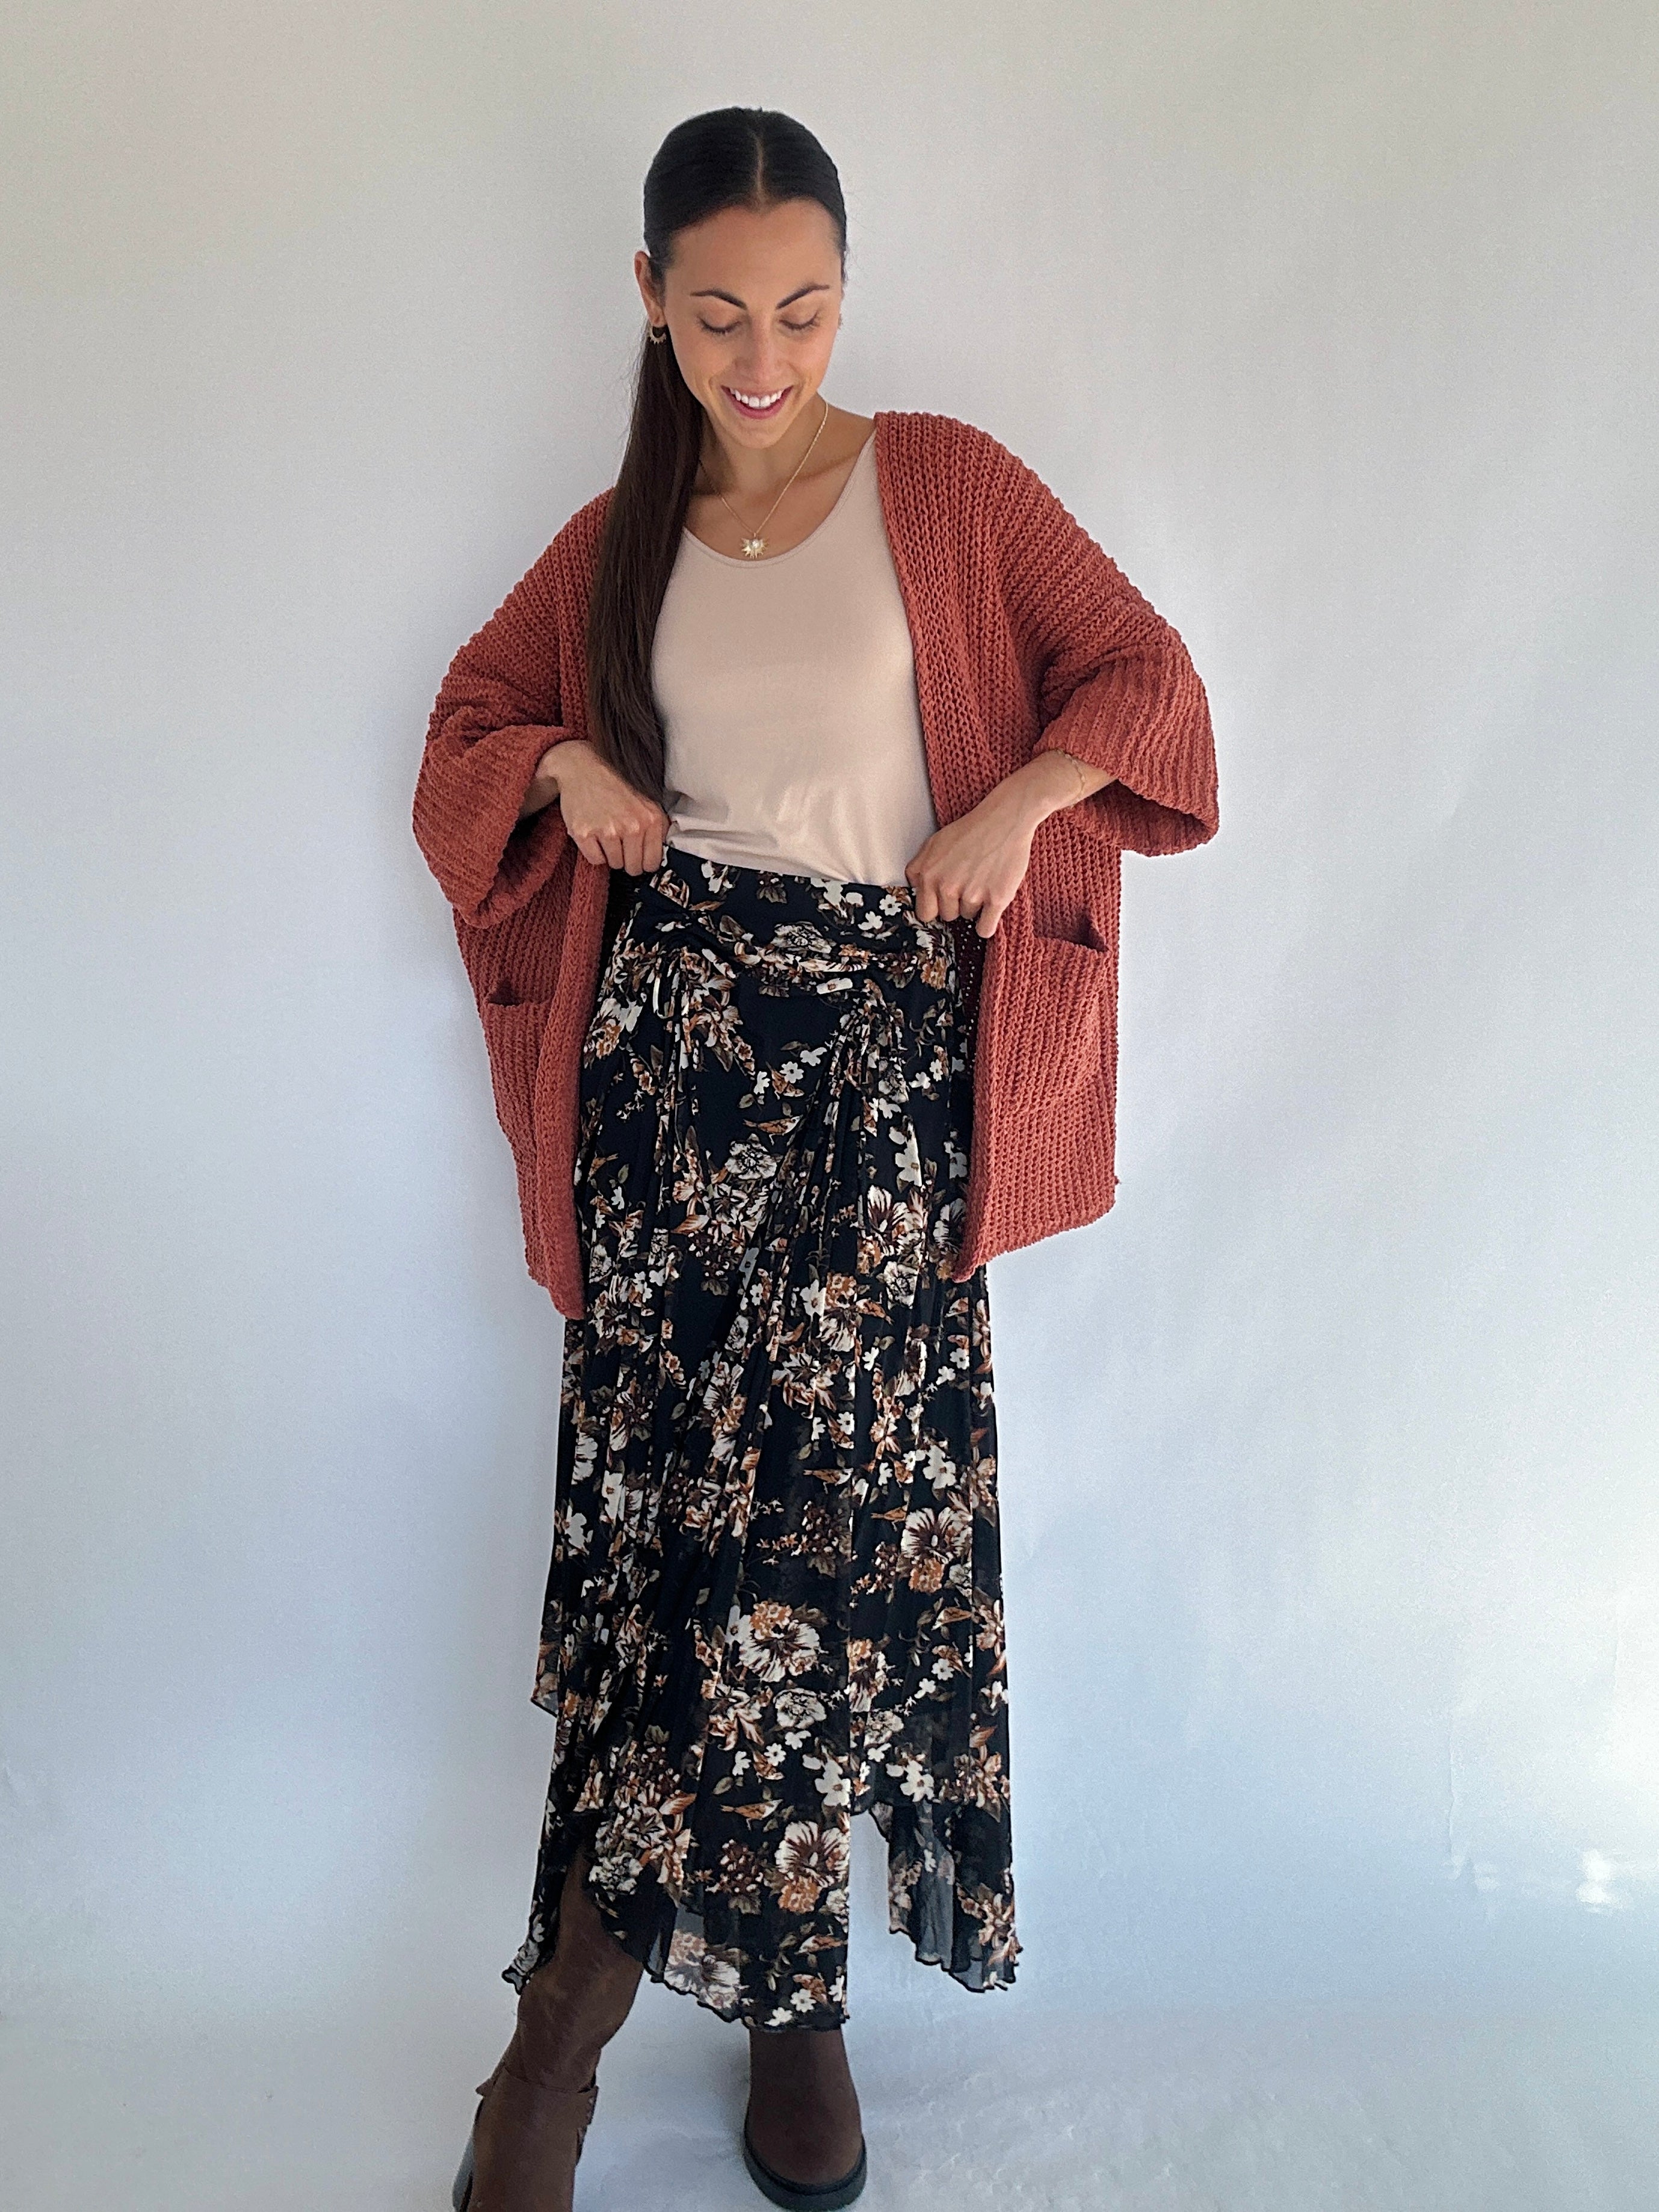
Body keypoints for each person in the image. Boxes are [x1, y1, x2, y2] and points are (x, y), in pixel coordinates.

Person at [413, 104, 1217, 2212]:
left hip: (879, 1099)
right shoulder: (622, 527)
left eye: (804, 308)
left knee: (816, 1567)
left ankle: (650, 2036)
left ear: (846, 293)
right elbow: (466, 732)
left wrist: (1020, 798)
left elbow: (1156, 685)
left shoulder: (942, 482)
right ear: (653, 304)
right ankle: (636, 2035)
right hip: (674, 1095)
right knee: (681, 1558)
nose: (762, 356)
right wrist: (570, 758)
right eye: (717, 315)